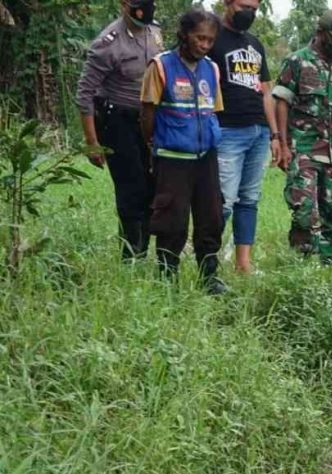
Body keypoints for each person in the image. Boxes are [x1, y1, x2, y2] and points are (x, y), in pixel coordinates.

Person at [139, 8, 228, 295]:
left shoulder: (211, 69)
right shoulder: (161, 66)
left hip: (206, 158)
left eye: (210, 40)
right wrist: (155, 146)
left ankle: (210, 277)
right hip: (173, 158)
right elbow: (147, 112)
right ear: (185, 34)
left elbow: (213, 110)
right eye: (199, 37)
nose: (204, 45)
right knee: (171, 220)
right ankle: (167, 279)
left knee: (211, 217)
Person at [272, 9, 332, 265]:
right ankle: (302, 270)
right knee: (304, 212)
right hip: (304, 150)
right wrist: (282, 142)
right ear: (320, 33)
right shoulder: (297, 62)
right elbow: (281, 101)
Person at [75, 0, 162, 261]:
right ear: (124, 3)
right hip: (118, 120)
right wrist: (92, 142)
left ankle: (143, 251)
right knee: (130, 187)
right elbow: (85, 94)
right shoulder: (108, 43)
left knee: (151, 187)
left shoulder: (154, 31)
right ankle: (130, 256)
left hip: (149, 119)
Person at [209, 0, 282, 274]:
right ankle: (208, 258)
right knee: (223, 200)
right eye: (244, 5)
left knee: (249, 198)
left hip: (258, 131)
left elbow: (266, 92)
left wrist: (274, 134)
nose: (249, 12)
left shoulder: (255, 44)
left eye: (255, 7)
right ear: (228, 3)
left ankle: (243, 263)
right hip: (227, 129)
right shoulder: (211, 37)